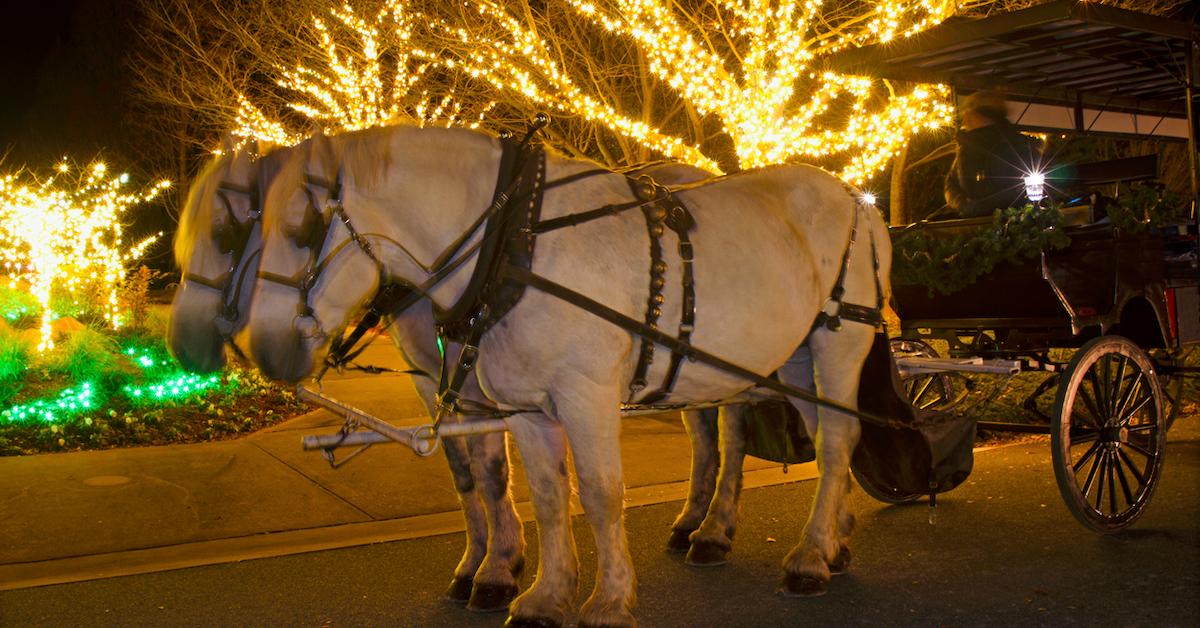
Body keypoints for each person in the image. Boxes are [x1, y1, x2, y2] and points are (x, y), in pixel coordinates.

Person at [943, 91, 1044, 218]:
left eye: (967, 112)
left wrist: (979, 207)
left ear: (979, 114)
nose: (964, 119)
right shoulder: (965, 148)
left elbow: (1021, 187)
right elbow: (951, 183)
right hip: (972, 221)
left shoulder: (1015, 146)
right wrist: (963, 204)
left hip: (1009, 222)